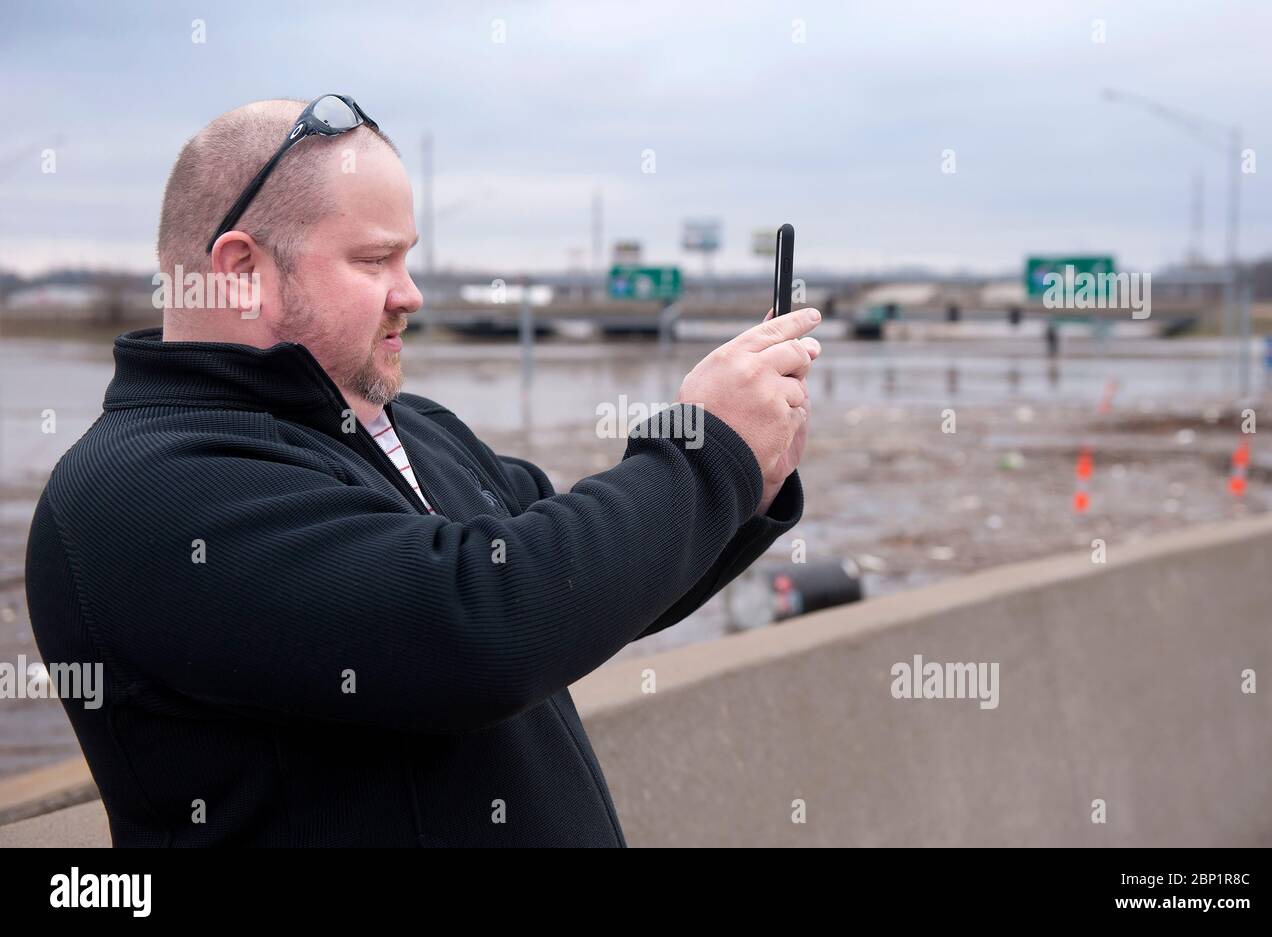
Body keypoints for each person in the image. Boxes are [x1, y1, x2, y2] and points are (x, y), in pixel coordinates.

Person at [24, 96, 820, 846]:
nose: (411, 293)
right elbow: (483, 625)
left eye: (408, 257)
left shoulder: (414, 428)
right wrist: (706, 449)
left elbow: (589, 588)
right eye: (376, 259)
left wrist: (752, 477)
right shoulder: (140, 490)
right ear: (239, 269)